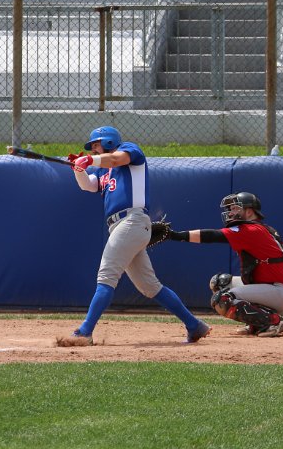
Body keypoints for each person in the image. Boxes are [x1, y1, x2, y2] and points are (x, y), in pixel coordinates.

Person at [57, 125, 212, 346]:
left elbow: (115, 159)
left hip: (132, 220)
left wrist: (89, 160)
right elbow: (88, 186)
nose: (93, 149)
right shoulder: (102, 170)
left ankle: (85, 331)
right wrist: (79, 170)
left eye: (96, 145)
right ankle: (194, 325)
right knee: (150, 286)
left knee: (106, 276)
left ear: (109, 141)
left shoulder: (130, 150)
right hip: (121, 226)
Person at [165, 192, 283, 338]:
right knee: (220, 282)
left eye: (235, 208)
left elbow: (212, 236)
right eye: (231, 209)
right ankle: (257, 323)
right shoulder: (256, 228)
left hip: (279, 292)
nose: (231, 212)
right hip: (270, 288)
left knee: (222, 299)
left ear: (249, 211)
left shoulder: (252, 230)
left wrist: (174, 235)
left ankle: (273, 321)